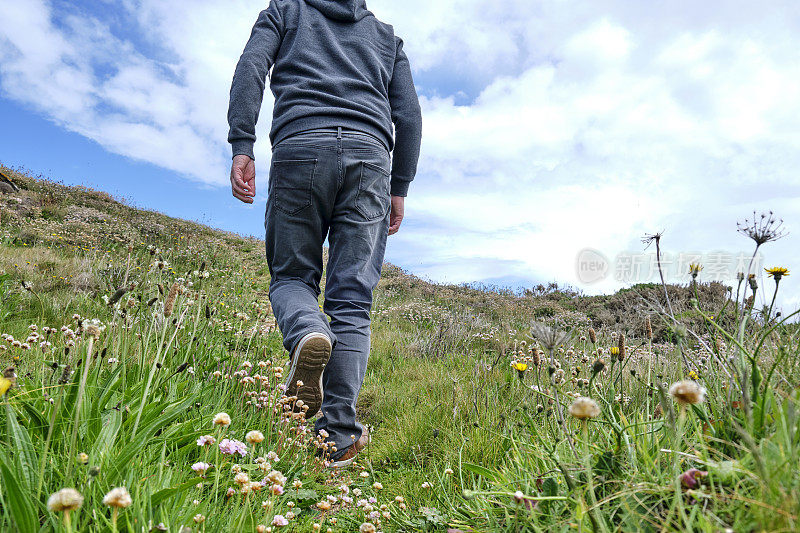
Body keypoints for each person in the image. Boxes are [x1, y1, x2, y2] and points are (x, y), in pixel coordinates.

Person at [227, 0, 422, 467]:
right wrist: (399, 187)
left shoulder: (285, 10)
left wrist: (242, 143)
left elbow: (252, 64)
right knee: (352, 301)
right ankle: (336, 438)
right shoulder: (386, 37)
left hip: (300, 147)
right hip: (370, 159)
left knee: (292, 278)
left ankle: (307, 332)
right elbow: (409, 115)